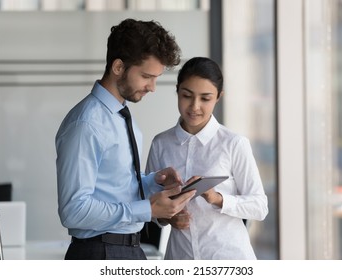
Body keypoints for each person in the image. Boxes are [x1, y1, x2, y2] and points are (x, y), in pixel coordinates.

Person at [55, 18, 195, 260]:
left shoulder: (120, 117)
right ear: (118, 67)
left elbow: (111, 185)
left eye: (156, 78)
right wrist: (147, 209)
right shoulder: (86, 124)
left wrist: (153, 182)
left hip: (127, 249)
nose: (152, 87)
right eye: (146, 76)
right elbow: (73, 210)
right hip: (99, 252)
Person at [146, 57, 269, 260]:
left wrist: (217, 199)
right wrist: (168, 218)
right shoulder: (161, 144)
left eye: (205, 98)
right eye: (187, 95)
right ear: (177, 91)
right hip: (180, 257)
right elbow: (150, 207)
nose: (195, 106)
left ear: (218, 97)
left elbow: (259, 207)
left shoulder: (234, 144)